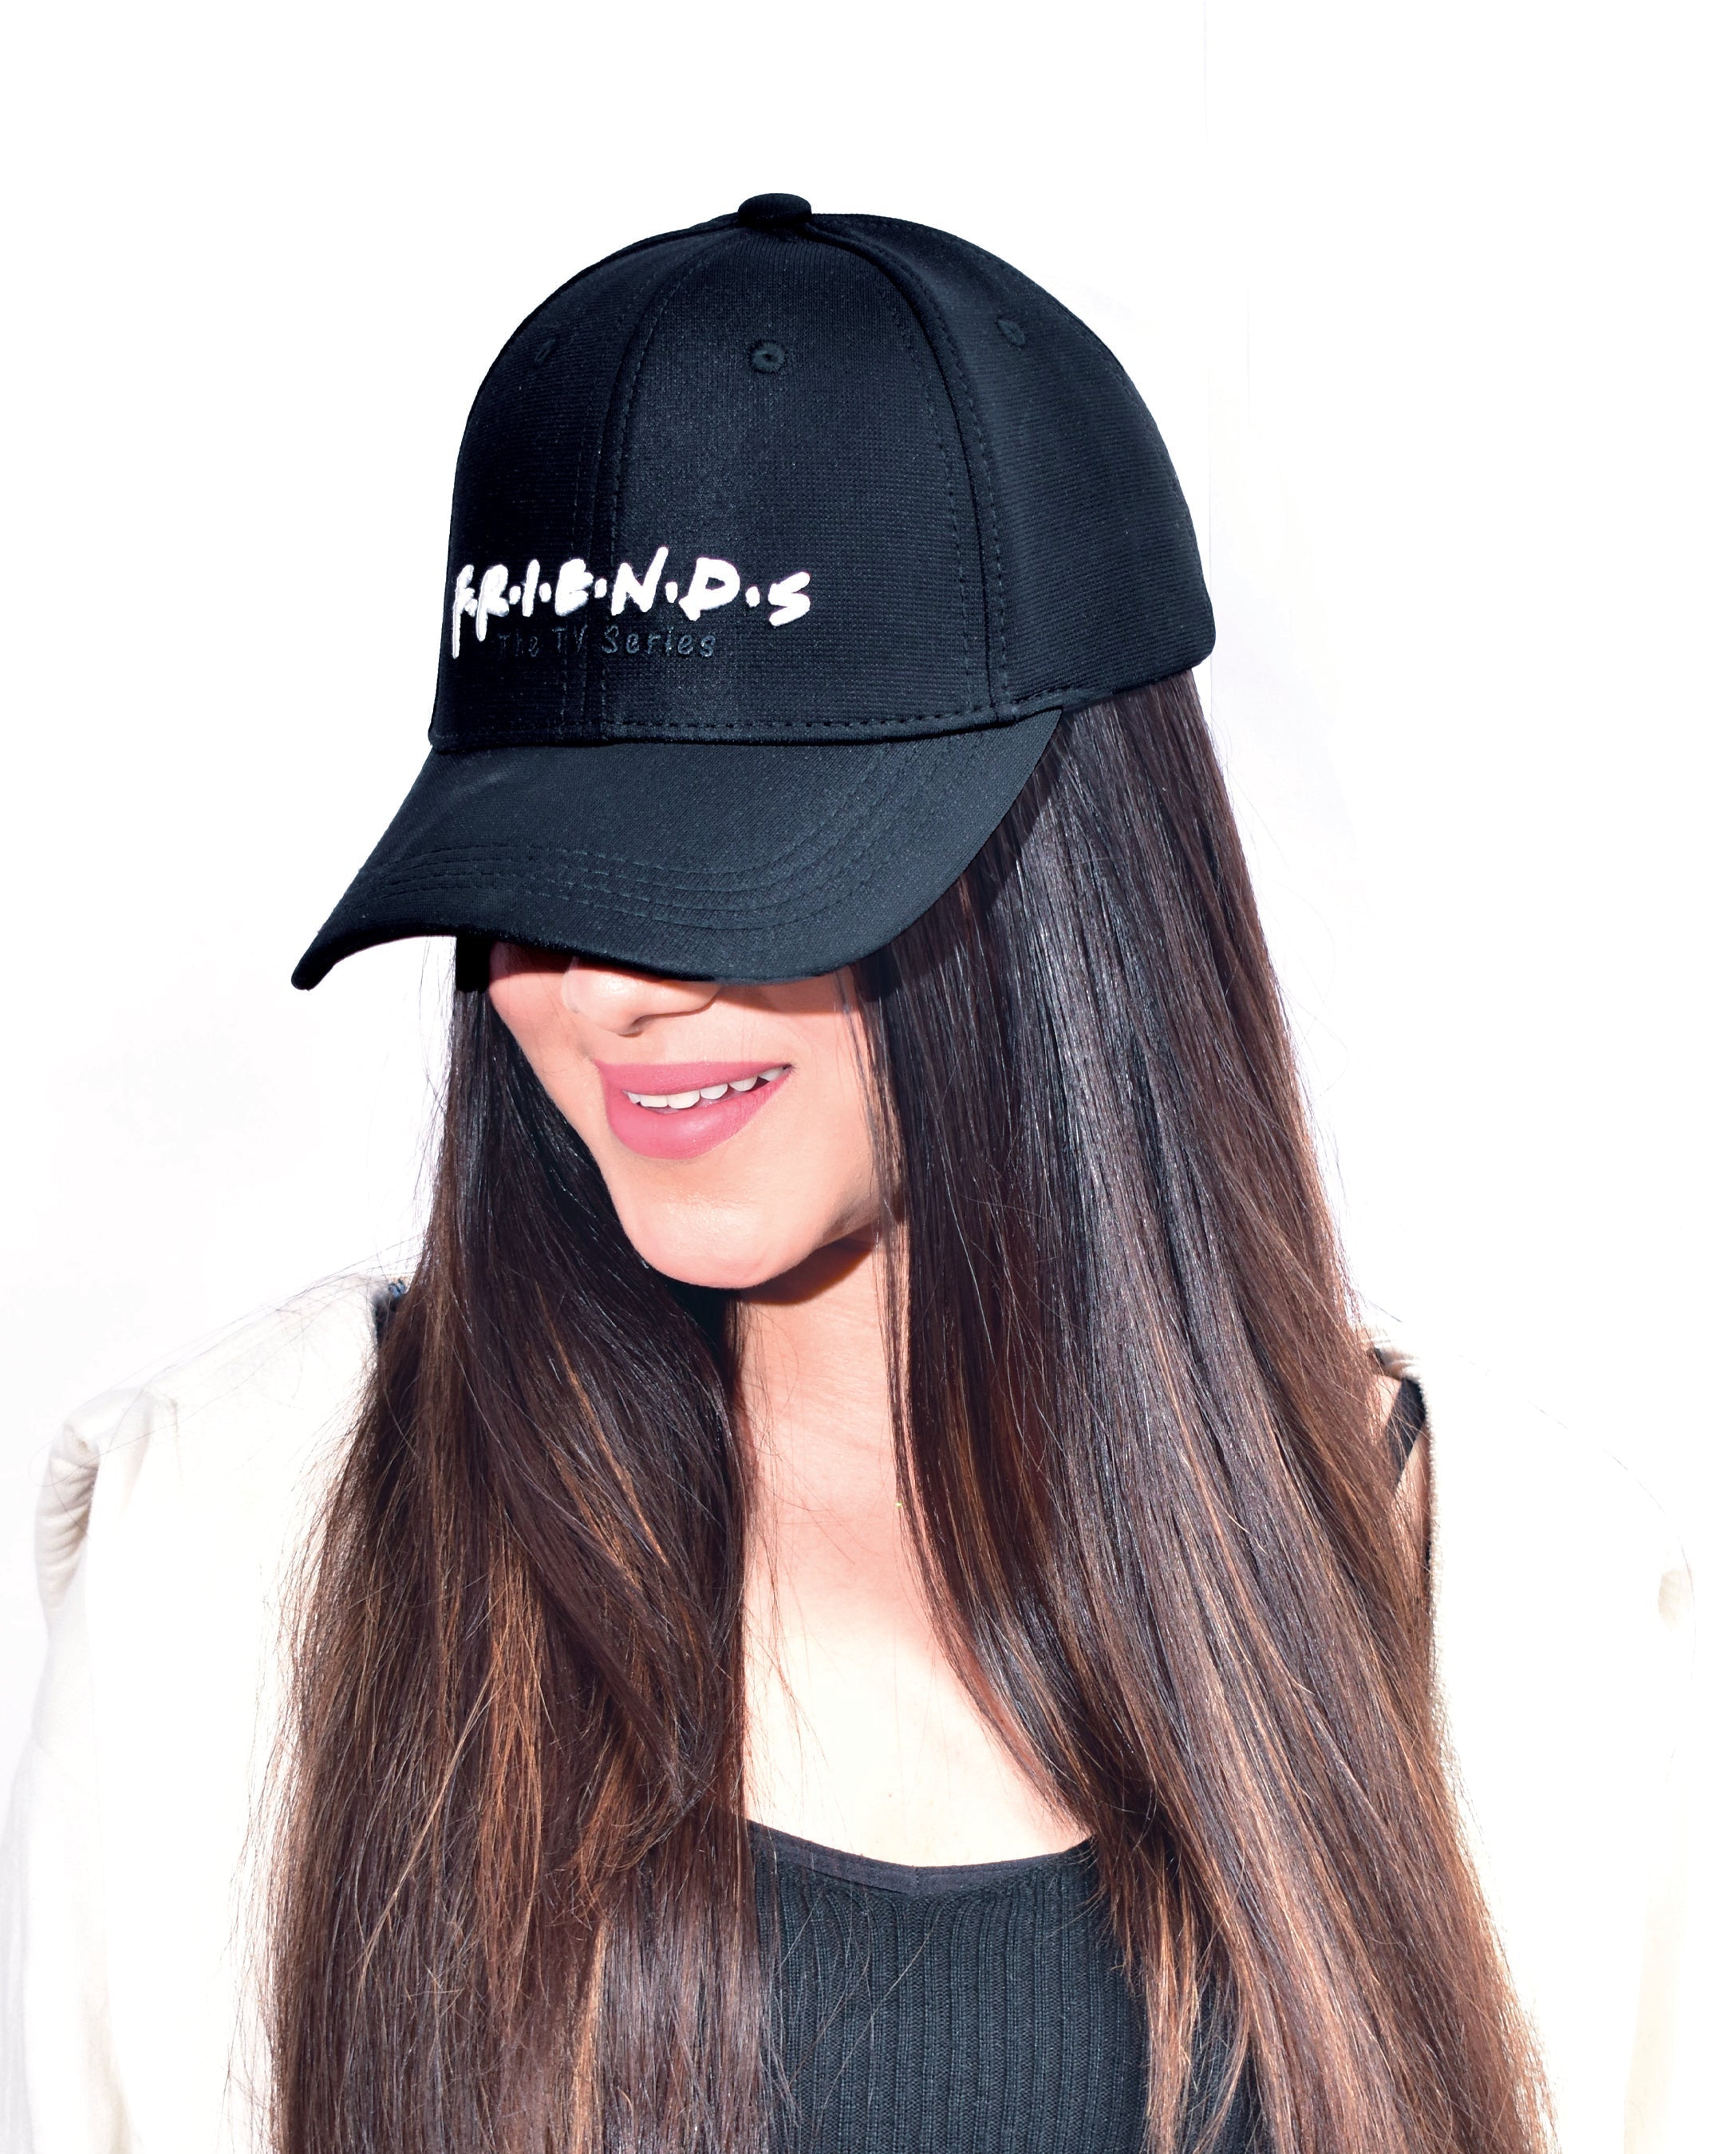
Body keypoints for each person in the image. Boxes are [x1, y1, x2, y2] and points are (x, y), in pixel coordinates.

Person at [0, 195, 1691, 2154]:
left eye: (734, 863)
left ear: (1066, 871)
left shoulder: (1534, 1630)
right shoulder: (233, 1560)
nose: (615, 992)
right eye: (538, 868)